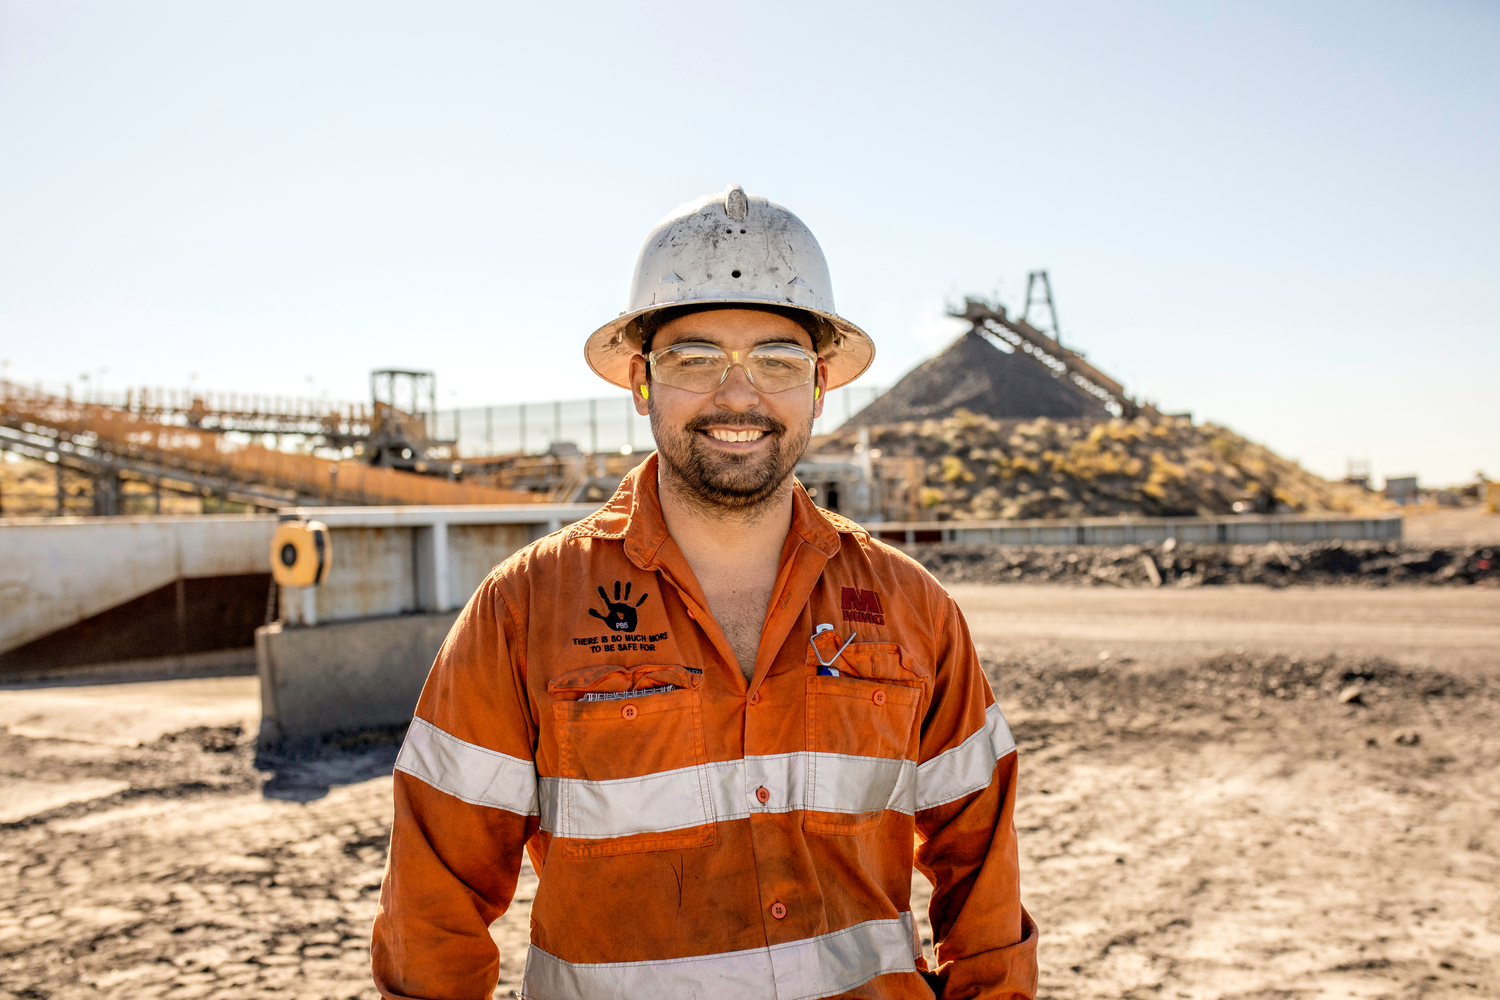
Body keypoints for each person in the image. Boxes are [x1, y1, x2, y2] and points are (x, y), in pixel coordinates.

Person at [372, 185, 1037, 999]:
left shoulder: (912, 607)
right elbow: (432, 904)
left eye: (778, 361)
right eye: (694, 359)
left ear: (820, 386)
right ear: (640, 381)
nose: (737, 396)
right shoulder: (524, 610)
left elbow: (983, 873)